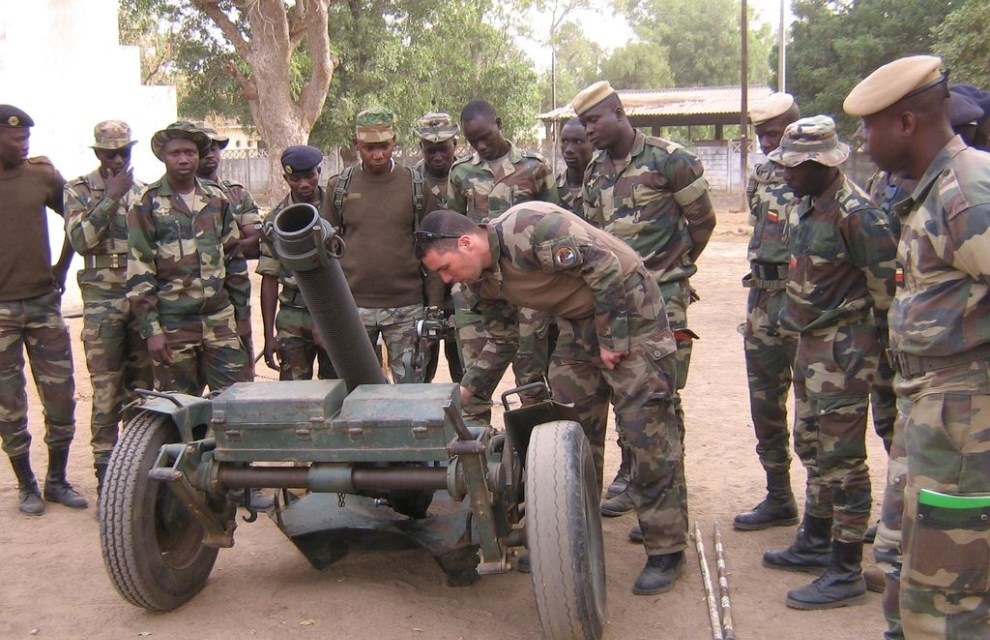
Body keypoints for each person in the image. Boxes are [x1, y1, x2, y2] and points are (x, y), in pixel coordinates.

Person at [415, 204, 687, 596]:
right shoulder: (478, 281)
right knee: (569, 431)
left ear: (466, 242)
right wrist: (466, 389)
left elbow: (605, 264)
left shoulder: (529, 228)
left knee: (646, 432)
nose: (444, 278)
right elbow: (503, 338)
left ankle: (666, 549)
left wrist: (612, 338)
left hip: (630, 310)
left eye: (444, 267)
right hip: (576, 322)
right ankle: (572, 533)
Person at [845, 54, 990, 639]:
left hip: (965, 422)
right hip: (929, 408)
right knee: (906, 567)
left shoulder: (967, 190)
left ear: (905, 123)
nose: (863, 139)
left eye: (870, 126)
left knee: (949, 600)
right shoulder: (929, 190)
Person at [760, 115, 897, 610]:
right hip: (811, 350)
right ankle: (815, 539)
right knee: (813, 447)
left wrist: (882, 366)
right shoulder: (809, 205)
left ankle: (845, 568)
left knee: (843, 461)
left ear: (821, 164)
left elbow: (886, 298)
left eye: (794, 166)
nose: (785, 174)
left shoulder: (858, 215)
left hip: (845, 354)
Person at [572, 80, 716, 521]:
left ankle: (665, 495)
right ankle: (633, 481)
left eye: (594, 120)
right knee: (624, 391)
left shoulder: (670, 159)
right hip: (616, 302)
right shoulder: (595, 172)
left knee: (661, 398)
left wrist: (673, 270)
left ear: (618, 111)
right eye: (583, 123)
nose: (589, 130)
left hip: (665, 299)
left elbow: (703, 222)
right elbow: (594, 240)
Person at [0, 104, 87, 515]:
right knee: (8, 403)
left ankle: (56, 479)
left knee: (60, 396)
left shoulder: (41, 175)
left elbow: (77, 219)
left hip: (42, 304)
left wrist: (62, 267)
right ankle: (26, 485)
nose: (25, 145)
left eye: (27, 139)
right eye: (17, 139)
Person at [446, 100, 558, 419]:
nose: (481, 145)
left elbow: (555, 222)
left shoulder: (534, 168)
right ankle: (476, 455)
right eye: (473, 141)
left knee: (531, 376)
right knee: (476, 374)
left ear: (499, 122)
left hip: (528, 285)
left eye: (485, 136)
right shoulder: (461, 172)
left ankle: (535, 450)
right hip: (478, 288)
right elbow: (453, 231)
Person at [126, 121, 252, 397]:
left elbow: (234, 260)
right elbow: (140, 269)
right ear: (163, 157)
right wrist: (152, 331)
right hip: (174, 324)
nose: (184, 159)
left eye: (190, 152)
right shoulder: (146, 202)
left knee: (236, 401)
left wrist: (242, 316)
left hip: (220, 319)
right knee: (178, 408)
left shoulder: (217, 199)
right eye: (175, 153)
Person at [64, 120, 153, 494]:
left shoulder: (147, 192)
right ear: (97, 153)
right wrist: (111, 197)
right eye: (109, 153)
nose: (117, 159)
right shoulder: (79, 189)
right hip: (102, 303)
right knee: (105, 390)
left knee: (143, 389)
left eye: (124, 152)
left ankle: (137, 473)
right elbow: (81, 240)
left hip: (140, 297)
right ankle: (105, 477)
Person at [324, 106, 441, 383]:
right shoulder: (339, 187)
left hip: (406, 308)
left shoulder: (415, 186)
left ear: (394, 142)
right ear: (356, 146)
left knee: (410, 392)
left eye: (384, 146)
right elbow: (325, 252)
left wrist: (434, 306)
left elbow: (434, 249)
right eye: (369, 148)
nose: (377, 154)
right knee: (358, 391)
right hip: (353, 309)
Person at [732, 93, 802, 531]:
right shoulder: (760, 172)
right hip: (762, 298)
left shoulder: (819, 172)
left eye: (774, 133)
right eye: (762, 134)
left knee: (816, 410)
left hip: (805, 300)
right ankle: (779, 494)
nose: (768, 143)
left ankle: (828, 510)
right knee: (765, 403)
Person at [257, 145, 335, 380]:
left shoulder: (336, 210)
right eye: (295, 178)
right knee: (294, 392)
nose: (303, 184)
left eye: (309, 176)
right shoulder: (276, 221)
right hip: (293, 316)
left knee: (337, 387)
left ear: (319, 171)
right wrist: (269, 335)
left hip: (334, 311)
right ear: (286, 178)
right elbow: (269, 278)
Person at [413, 112, 463, 383]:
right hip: (423, 291)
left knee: (464, 371)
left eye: (443, 148)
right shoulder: (411, 181)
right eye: (430, 150)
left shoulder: (469, 176)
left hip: (463, 290)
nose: (437, 156)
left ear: (455, 143)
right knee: (421, 369)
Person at [195, 122, 263, 259]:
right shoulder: (178, 195)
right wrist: (236, 240)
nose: (209, 155)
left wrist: (209, 252)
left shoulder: (237, 194)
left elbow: (256, 242)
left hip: (232, 277)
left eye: (213, 149)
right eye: (203, 151)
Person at [556, 117, 594, 214]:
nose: (568, 149)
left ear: (593, 144)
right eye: (564, 141)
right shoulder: (552, 189)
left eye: (577, 142)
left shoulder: (605, 186)